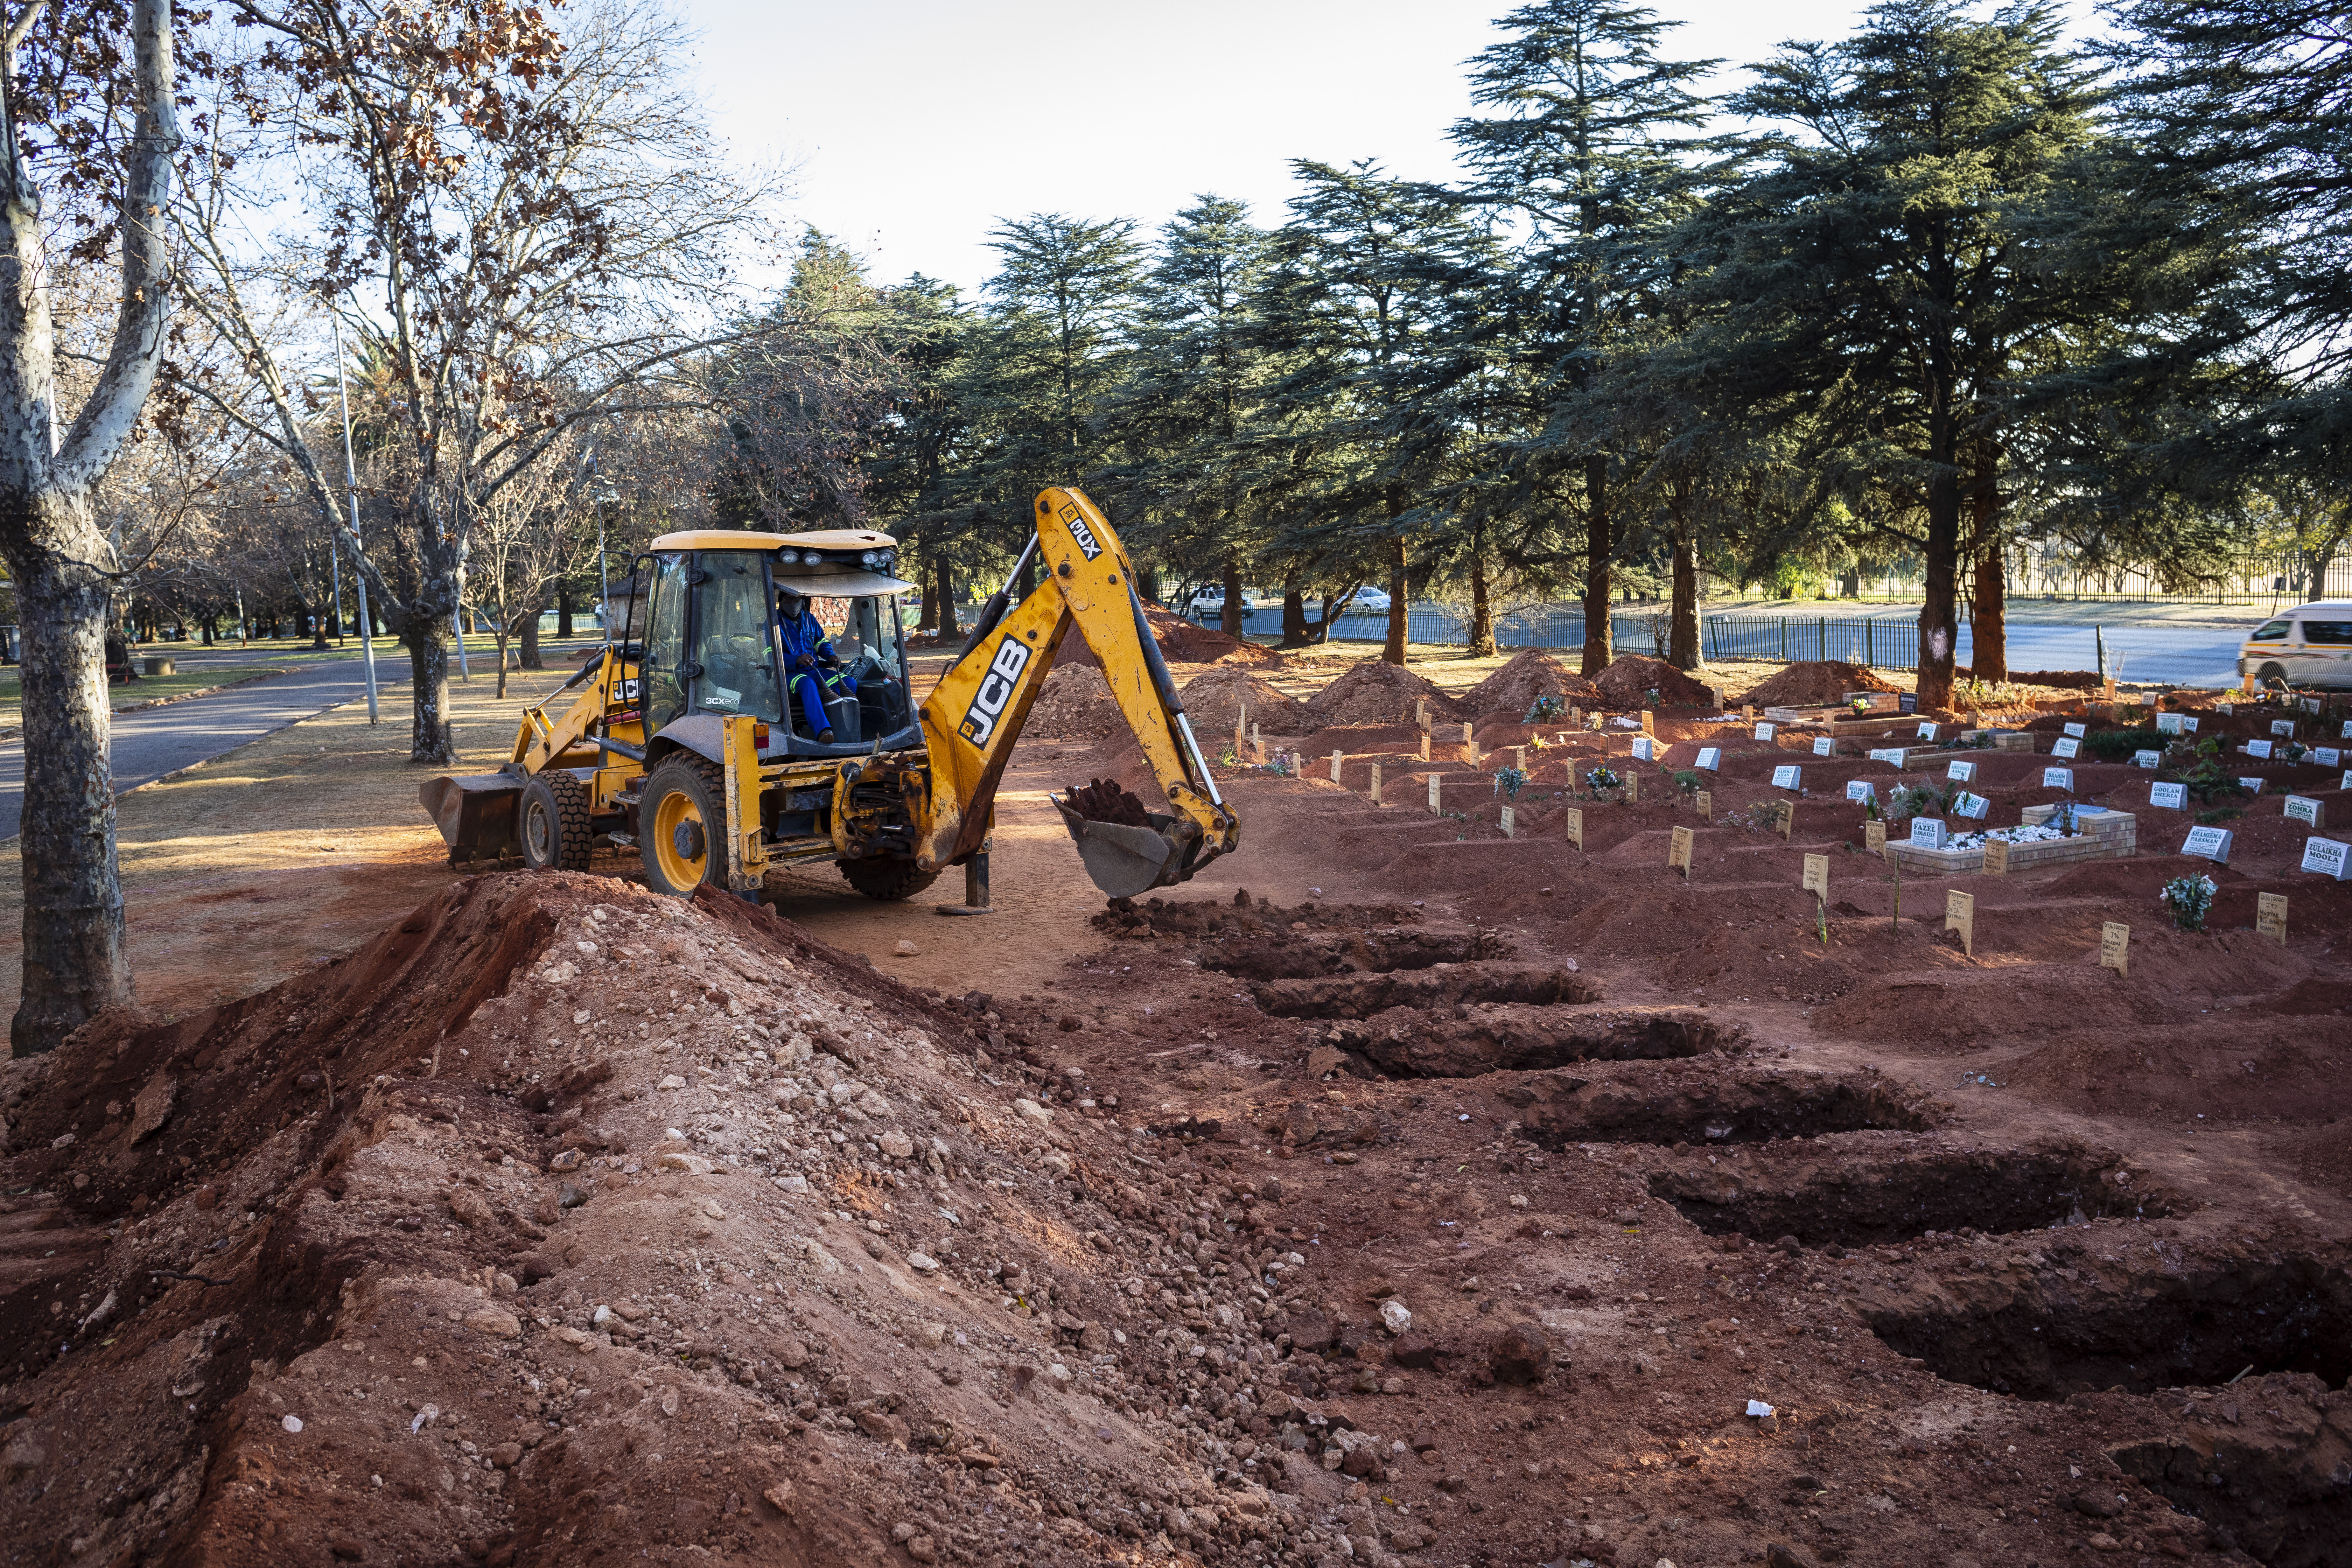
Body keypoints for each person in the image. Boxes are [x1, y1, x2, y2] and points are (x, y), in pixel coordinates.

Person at [777, 587, 846, 742]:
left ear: (802, 601)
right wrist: (794, 659)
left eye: (796, 599)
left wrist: (831, 656)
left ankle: (843, 727)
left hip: (813, 670)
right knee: (807, 684)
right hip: (786, 674)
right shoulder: (773, 622)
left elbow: (821, 642)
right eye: (788, 599)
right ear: (781, 601)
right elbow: (769, 653)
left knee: (848, 682)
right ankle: (823, 731)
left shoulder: (809, 619)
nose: (792, 602)